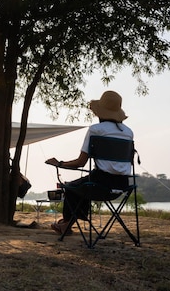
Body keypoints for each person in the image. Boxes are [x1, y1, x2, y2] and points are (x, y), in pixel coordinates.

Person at [45, 90, 134, 235]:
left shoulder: (96, 130)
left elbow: (81, 162)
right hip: (123, 185)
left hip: (100, 184)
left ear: (100, 112)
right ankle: (66, 223)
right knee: (83, 184)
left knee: (71, 187)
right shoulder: (129, 132)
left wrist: (59, 164)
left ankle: (66, 224)